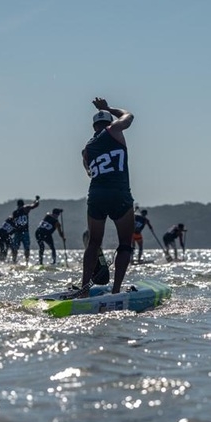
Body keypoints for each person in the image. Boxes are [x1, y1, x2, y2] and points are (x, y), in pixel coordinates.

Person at [78, 97, 135, 296]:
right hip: (119, 193)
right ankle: (116, 291)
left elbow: (87, 170)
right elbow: (129, 116)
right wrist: (108, 107)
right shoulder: (114, 130)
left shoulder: (87, 149)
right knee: (125, 244)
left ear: (94, 126)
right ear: (109, 123)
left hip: (96, 195)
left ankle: (84, 289)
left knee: (94, 242)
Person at [11, 196, 40, 264]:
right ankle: (27, 262)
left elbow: (13, 223)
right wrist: (37, 200)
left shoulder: (15, 212)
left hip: (17, 232)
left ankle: (14, 261)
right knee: (26, 247)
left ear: (18, 205)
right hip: (24, 232)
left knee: (15, 248)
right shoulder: (25, 208)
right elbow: (34, 205)